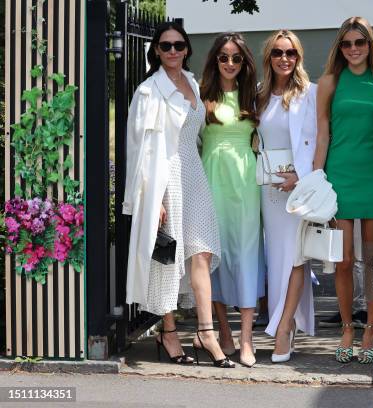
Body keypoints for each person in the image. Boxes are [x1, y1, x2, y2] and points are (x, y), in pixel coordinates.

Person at [123, 22, 234, 368]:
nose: (172, 51)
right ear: (156, 50)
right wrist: (149, 199)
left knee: (200, 251)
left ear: (186, 48)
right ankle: (168, 331)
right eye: (166, 46)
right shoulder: (147, 91)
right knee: (167, 256)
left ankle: (206, 332)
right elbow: (138, 148)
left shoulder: (194, 83)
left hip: (193, 170)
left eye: (178, 45)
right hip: (164, 176)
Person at [313, 16, 373, 364]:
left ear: (370, 45)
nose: (352, 49)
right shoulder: (330, 81)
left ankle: (371, 330)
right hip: (339, 175)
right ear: (340, 47)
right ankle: (348, 326)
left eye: (359, 43)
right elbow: (322, 132)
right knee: (344, 261)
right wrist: (317, 177)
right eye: (346, 44)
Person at [200, 32, 265, 368]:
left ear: (244, 62)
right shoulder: (201, 95)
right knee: (216, 253)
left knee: (247, 253)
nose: (229, 63)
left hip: (246, 180)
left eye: (236, 57)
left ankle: (247, 337)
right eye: (223, 57)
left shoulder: (254, 97)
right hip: (211, 179)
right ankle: (223, 331)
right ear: (214, 60)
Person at [255, 30, 318, 362]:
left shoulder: (312, 94)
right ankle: (284, 322)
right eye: (278, 52)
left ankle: (285, 326)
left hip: (299, 189)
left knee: (295, 258)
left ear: (299, 57)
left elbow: (323, 142)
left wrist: (302, 177)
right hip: (267, 190)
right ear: (269, 57)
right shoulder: (259, 96)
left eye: (291, 53)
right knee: (275, 259)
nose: (284, 58)